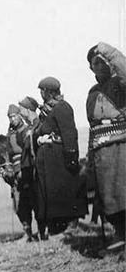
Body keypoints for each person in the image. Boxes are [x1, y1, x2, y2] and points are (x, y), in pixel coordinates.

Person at [34, 77, 87, 238]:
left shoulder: (62, 107)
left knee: (64, 189)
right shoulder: (47, 111)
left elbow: (69, 133)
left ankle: (71, 224)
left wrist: (71, 157)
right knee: (52, 192)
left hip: (59, 156)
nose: (41, 94)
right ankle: (56, 227)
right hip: (48, 158)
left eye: (42, 91)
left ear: (48, 91)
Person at [86, 42, 126, 249]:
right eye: (95, 64)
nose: (100, 66)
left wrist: (108, 52)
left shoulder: (120, 84)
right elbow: (92, 126)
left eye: (103, 62)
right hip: (101, 151)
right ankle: (119, 233)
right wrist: (90, 155)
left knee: (123, 192)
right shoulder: (92, 93)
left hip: (122, 147)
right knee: (108, 197)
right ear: (91, 68)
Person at [6, 104, 38, 241]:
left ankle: (42, 231)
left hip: (26, 169)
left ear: (19, 115)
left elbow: (27, 151)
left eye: (14, 116)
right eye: (10, 117)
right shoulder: (10, 133)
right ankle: (27, 232)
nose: (12, 119)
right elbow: (8, 152)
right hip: (14, 172)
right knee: (19, 205)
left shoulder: (26, 130)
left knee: (32, 200)